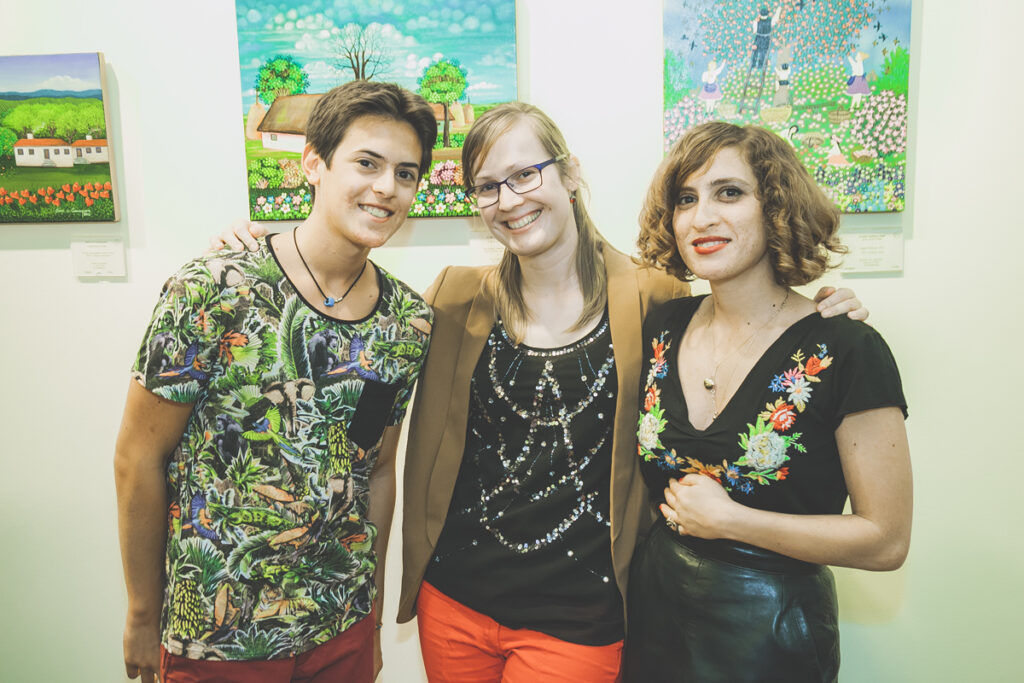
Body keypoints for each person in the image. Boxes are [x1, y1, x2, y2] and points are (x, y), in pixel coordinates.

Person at [216, 104, 867, 682]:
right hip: (454, 603)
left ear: (570, 173)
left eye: (525, 175)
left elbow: (739, 327)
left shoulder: (655, 297)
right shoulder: (453, 297)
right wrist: (263, 250)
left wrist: (818, 314)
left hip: (581, 618)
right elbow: (353, 339)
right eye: (487, 186)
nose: (509, 199)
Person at [114, 79, 437, 683]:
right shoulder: (215, 287)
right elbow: (138, 458)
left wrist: (369, 615)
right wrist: (141, 612)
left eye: (406, 173)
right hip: (218, 632)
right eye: (367, 163)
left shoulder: (408, 321)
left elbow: (376, 469)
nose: (386, 187)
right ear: (314, 162)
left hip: (338, 624)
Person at [626, 121, 911, 682]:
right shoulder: (663, 326)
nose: (702, 218)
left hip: (771, 633)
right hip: (655, 618)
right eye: (686, 199)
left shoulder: (846, 347)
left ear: (776, 208)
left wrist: (733, 520)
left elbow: (886, 541)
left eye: (729, 193)